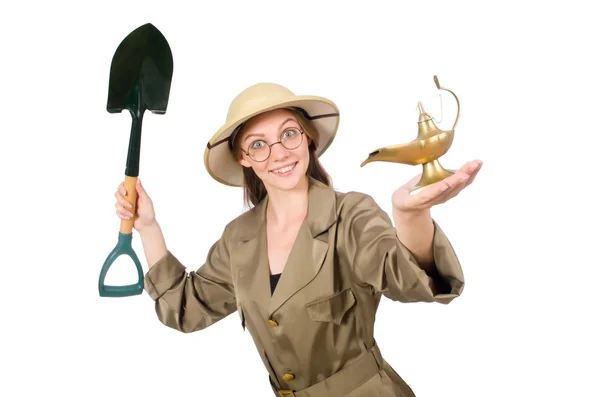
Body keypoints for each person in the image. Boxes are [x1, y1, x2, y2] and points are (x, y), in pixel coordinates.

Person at [113, 82, 482, 397]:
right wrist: (148, 226)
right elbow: (187, 308)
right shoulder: (237, 239)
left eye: (288, 134)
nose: (279, 153)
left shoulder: (351, 214)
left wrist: (409, 214)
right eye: (258, 144)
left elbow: (407, 279)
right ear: (244, 158)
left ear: (308, 139)